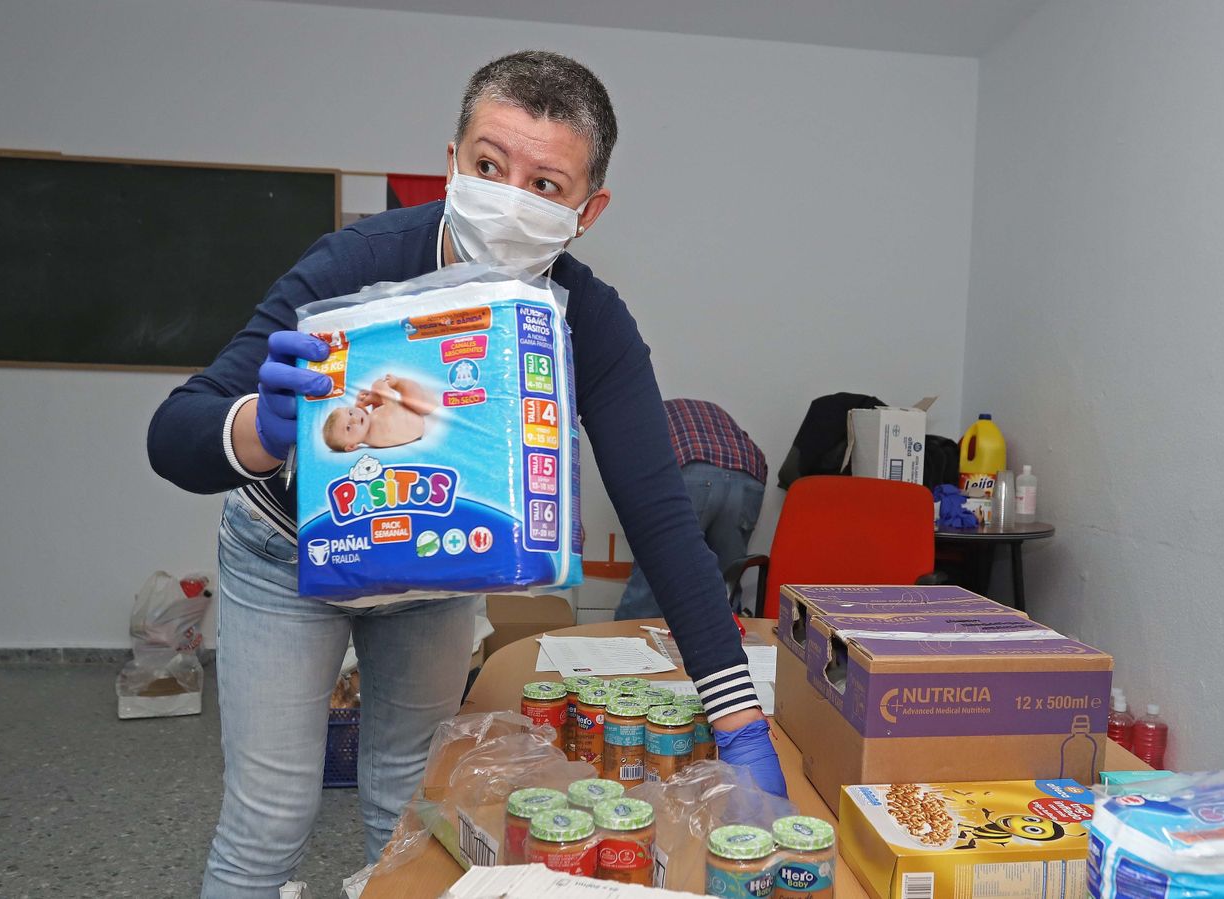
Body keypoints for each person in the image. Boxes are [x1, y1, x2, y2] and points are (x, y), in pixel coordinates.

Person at [147, 51, 785, 898]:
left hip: (436, 568)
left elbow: (662, 518)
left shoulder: (589, 323)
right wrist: (259, 429)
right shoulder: (357, 261)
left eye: (545, 185)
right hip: (284, 556)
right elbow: (173, 434)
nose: (509, 198)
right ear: (451, 162)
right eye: (489, 166)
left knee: (411, 807)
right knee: (269, 818)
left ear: (588, 211)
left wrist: (739, 722)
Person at [615, 399, 767, 620]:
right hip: (748, 476)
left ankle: (626, 638)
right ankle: (728, 638)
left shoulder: (642, 416)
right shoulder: (708, 412)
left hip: (693, 471)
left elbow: (635, 473)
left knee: (656, 573)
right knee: (726, 579)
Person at [322, 373, 438, 451]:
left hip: (404, 419)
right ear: (351, 446)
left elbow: (374, 415)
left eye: (350, 413)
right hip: (416, 413)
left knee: (377, 400)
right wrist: (380, 386)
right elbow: (391, 404)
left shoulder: (369, 435)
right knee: (408, 391)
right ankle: (400, 383)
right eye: (348, 428)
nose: (354, 418)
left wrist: (362, 403)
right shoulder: (376, 433)